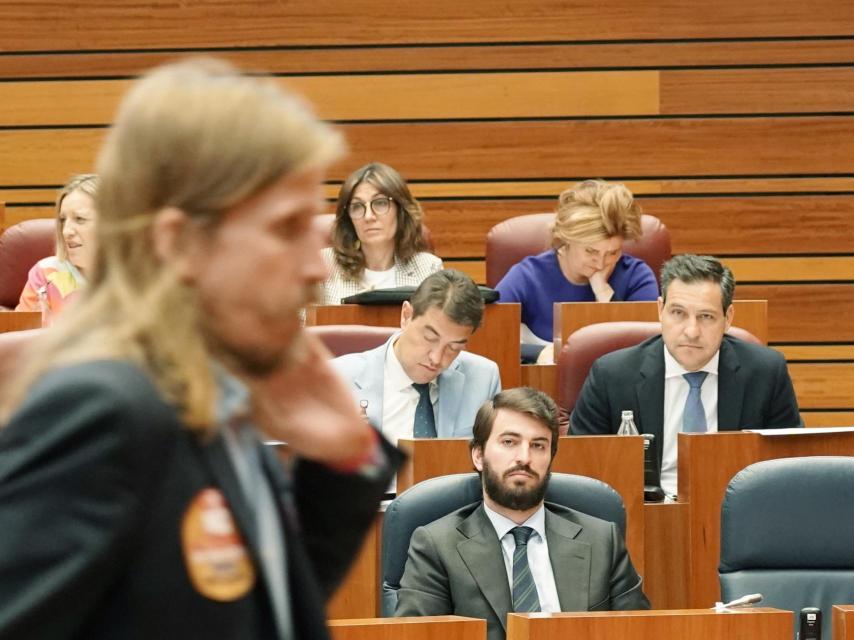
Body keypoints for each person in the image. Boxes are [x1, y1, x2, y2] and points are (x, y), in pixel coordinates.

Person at [0, 58, 402, 640]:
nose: (316, 265)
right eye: (285, 228)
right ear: (180, 242)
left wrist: (347, 460)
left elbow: (251, 615)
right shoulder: (101, 412)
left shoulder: (214, 391)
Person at [396, 387, 649, 640]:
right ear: (479, 455)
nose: (524, 458)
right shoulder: (437, 546)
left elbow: (640, 633)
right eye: (509, 442)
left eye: (538, 445)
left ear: (550, 458)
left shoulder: (601, 539)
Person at [571, 254, 802, 496]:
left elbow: (789, 466)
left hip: (736, 515)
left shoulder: (765, 373)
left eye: (706, 317)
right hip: (643, 515)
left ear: (728, 319)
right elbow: (581, 471)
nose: (691, 331)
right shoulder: (612, 375)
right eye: (678, 313)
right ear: (660, 310)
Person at [495, 179, 658, 362]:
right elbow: (488, 336)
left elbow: (648, 348)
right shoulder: (528, 276)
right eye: (591, 251)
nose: (601, 263)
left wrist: (604, 294)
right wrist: (537, 353)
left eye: (613, 253)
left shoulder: (637, 277)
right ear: (566, 241)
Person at [332, 268, 500, 441]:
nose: (436, 359)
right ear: (406, 316)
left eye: (453, 348)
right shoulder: (338, 378)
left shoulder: (484, 378)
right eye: (429, 338)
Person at [320, 161, 442, 304]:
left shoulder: (427, 268)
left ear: (400, 210)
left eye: (380, 203)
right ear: (349, 219)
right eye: (357, 206)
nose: (368, 216)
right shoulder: (324, 266)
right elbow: (301, 323)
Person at [16, 173, 99, 326]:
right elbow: (20, 340)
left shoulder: (142, 276)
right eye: (62, 220)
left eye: (80, 219)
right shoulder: (45, 274)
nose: (66, 231)